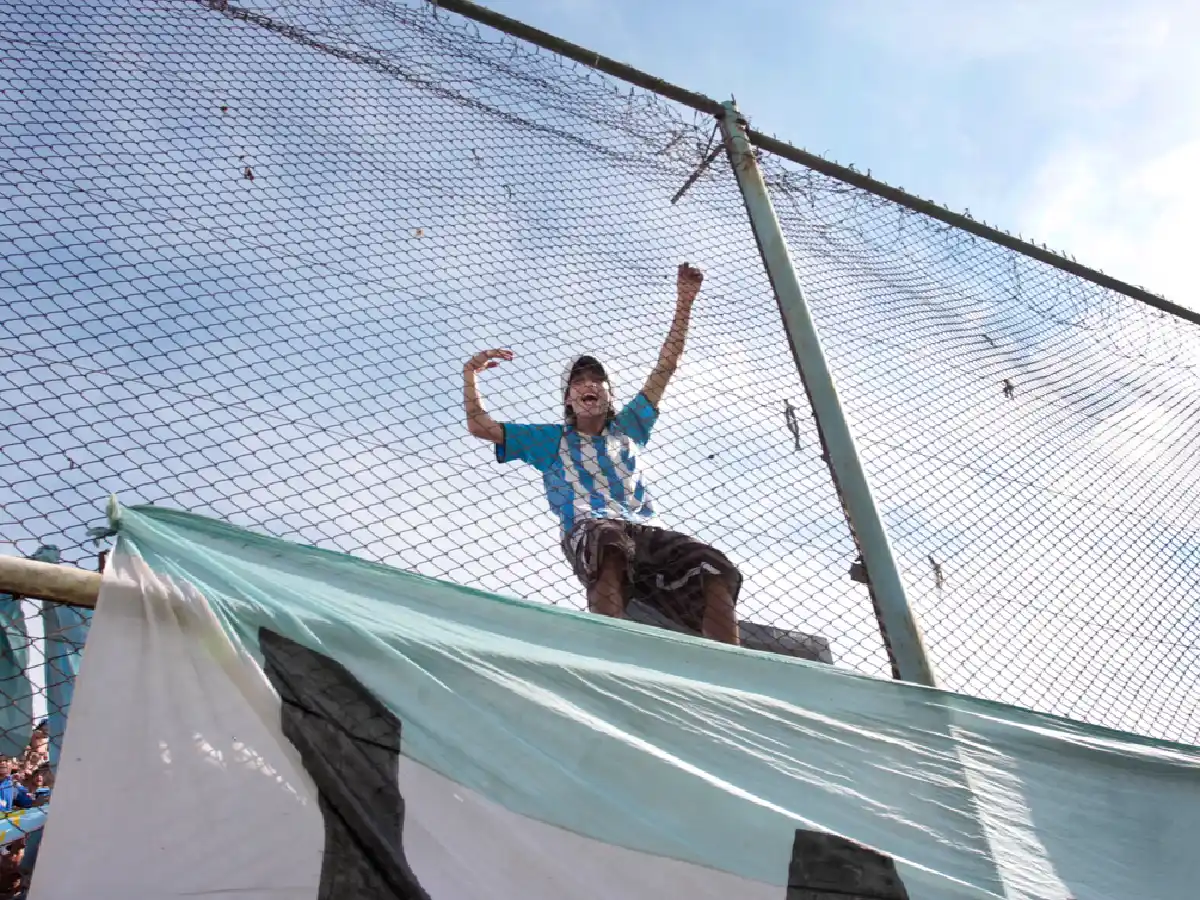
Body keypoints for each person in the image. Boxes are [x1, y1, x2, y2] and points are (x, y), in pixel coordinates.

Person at [463, 263, 742, 644]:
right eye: (578, 381)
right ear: (569, 399)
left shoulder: (629, 427)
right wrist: (470, 376)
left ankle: (728, 661)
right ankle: (610, 646)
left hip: (646, 530)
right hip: (591, 526)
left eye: (596, 380)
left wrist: (685, 301)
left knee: (713, 564)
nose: (588, 384)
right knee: (606, 541)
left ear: (609, 395)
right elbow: (481, 426)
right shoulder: (551, 440)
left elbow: (666, 366)